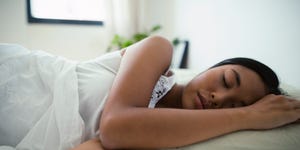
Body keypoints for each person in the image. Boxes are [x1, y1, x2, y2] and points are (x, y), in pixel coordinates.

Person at [0, 36, 299, 150]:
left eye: (233, 105)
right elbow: (116, 127)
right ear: (212, 66)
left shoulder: (159, 135)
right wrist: (246, 115)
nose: (218, 99)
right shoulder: (159, 50)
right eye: (225, 80)